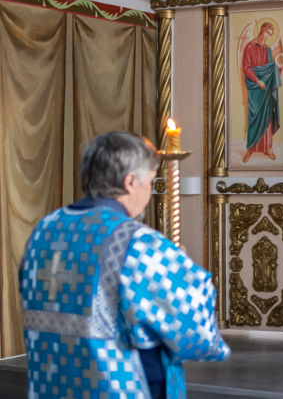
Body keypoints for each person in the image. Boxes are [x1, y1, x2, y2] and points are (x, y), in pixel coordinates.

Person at [18, 132, 230, 399]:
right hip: (124, 386)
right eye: (150, 182)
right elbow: (194, 330)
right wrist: (179, 269)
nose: (149, 193)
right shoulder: (136, 241)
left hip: (53, 384)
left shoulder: (44, 229)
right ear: (130, 182)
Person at [243, 22, 282, 162]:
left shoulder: (268, 50)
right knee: (253, 119)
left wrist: (280, 67)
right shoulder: (249, 47)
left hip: (266, 90)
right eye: (267, 33)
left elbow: (271, 70)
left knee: (267, 118)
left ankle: (268, 148)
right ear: (261, 30)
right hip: (255, 89)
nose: (267, 37)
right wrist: (257, 81)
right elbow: (246, 68)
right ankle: (250, 149)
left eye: (270, 35)